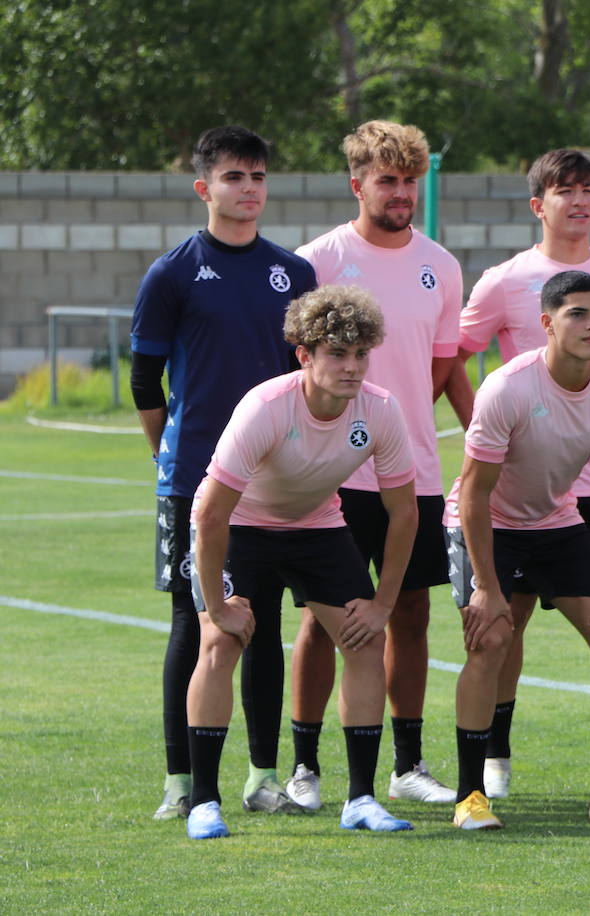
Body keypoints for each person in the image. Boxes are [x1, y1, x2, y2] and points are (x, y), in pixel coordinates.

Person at [447, 148, 590, 800]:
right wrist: (490, 437)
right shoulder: (506, 314)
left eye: (589, 190)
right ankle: (477, 781)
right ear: (538, 203)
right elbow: (454, 366)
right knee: (494, 633)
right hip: (497, 510)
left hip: (570, 507)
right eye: (564, 190)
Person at [183, 285, 418, 839]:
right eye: (337, 354)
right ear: (305, 356)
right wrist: (217, 607)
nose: (352, 366)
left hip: (316, 526)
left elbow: (404, 514)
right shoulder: (266, 407)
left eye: (361, 353)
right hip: (240, 525)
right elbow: (212, 516)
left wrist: (383, 602)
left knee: (365, 639)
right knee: (219, 643)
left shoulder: (380, 410)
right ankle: (202, 802)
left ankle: (359, 800)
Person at [130, 125, 316, 820]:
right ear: (205, 188)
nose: (249, 190)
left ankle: (262, 777)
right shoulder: (172, 273)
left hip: (274, 481)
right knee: (197, 621)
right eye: (235, 177)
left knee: (259, 621)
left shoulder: (293, 273)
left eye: (259, 177)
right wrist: (168, 455)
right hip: (195, 482)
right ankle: (180, 782)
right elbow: (146, 381)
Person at [287, 121, 465, 810]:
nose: (399, 193)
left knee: (412, 612)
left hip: (413, 468)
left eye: (408, 180)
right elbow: (296, 365)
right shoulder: (318, 260)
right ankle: (306, 767)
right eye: (386, 179)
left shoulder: (442, 266)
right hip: (329, 473)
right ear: (356, 182)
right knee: (321, 618)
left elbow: (441, 369)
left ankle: (408, 763)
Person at [446, 270, 590, 829]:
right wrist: (486, 588)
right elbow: (473, 493)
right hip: (486, 523)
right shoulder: (508, 387)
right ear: (546, 324)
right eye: (577, 314)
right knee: (492, 638)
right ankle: (469, 796)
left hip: (554, 522)